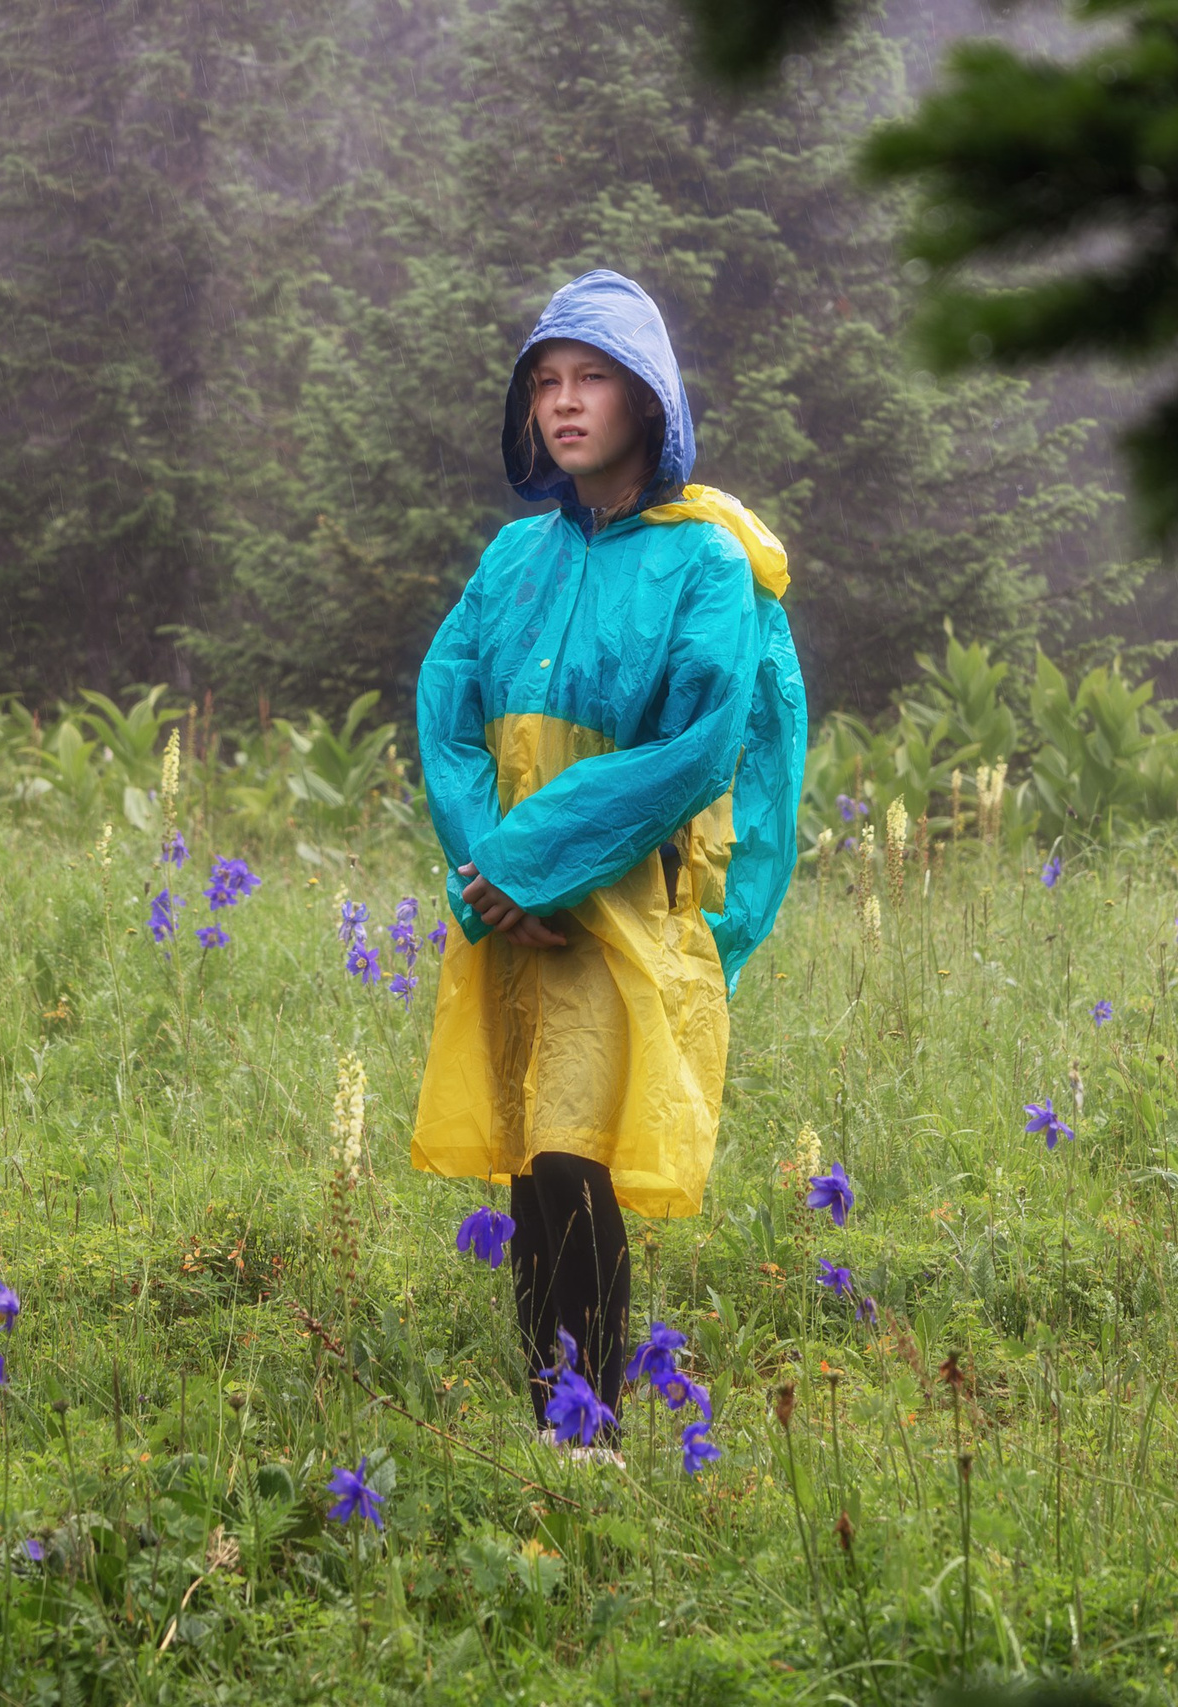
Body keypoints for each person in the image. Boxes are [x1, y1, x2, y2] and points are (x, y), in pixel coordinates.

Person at [410, 269, 806, 1441]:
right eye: (546, 383)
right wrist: (487, 875)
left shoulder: (705, 564)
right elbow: (446, 713)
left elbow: (697, 746)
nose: (564, 404)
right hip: (511, 910)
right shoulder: (512, 560)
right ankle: (555, 1420)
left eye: (590, 381)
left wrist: (531, 867)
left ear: (648, 402)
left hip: (617, 908)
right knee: (532, 1169)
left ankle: (593, 1435)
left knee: (578, 1160)